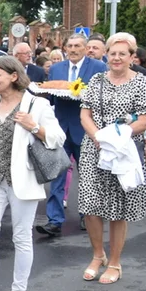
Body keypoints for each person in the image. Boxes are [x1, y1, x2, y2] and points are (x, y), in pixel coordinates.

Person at [0, 57, 66, 291]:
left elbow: (58, 138)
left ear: (14, 76)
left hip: (22, 180)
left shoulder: (37, 104)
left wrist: (33, 126)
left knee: (21, 236)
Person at [77, 32, 146, 284]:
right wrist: (99, 137)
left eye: (123, 53)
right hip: (94, 149)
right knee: (90, 205)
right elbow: (84, 115)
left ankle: (115, 262)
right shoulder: (96, 79)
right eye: (113, 53)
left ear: (132, 57)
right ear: (106, 55)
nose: (117, 58)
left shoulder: (140, 82)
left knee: (117, 209)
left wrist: (117, 137)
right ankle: (97, 255)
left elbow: (144, 120)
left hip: (123, 152)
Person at [37, 34, 107, 237]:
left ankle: (88, 214)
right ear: (65, 48)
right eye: (70, 46)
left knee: (87, 175)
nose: (74, 49)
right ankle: (54, 220)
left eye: (78, 46)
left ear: (86, 48)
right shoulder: (57, 68)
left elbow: (101, 96)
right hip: (60, 127)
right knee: (57, 174)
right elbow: (52, 95)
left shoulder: (98, 68)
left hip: (85, 127)